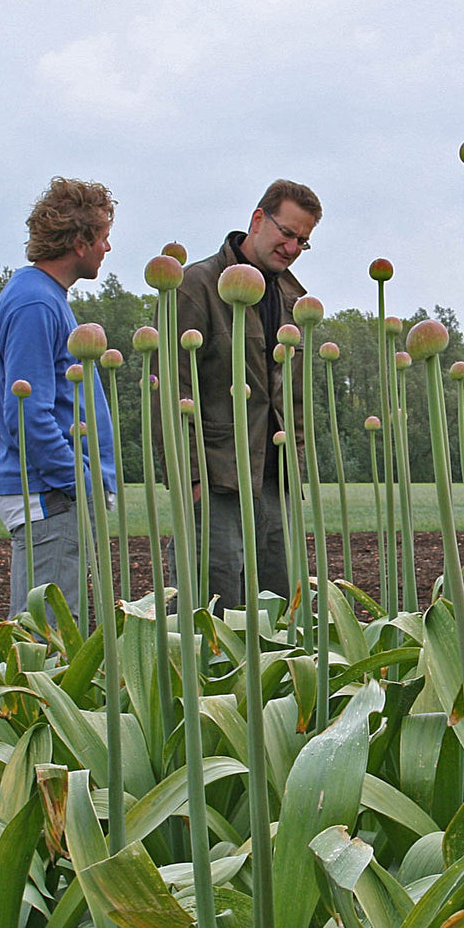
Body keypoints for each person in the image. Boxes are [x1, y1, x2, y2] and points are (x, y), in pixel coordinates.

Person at [164, 179, 321, 611]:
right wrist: (190, 479)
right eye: (287, 233)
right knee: (211, 602)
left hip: (275, 478)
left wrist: (297, 467)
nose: (291, 248)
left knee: (279, 605)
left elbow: (293, 396)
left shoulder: (293, 297)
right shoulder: (195, 284)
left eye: (303, 242)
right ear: (257, 219)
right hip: (218, 475)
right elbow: (171, 387)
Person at [0, 176, 117, 616]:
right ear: (80, 242)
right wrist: (78, 482)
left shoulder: (42, 296)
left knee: (56, 629)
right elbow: (26, 412)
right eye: (103, 238)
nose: (107, 249)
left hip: (55, 493)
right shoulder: (35, 303)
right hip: (49, 496)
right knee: (50, 636)